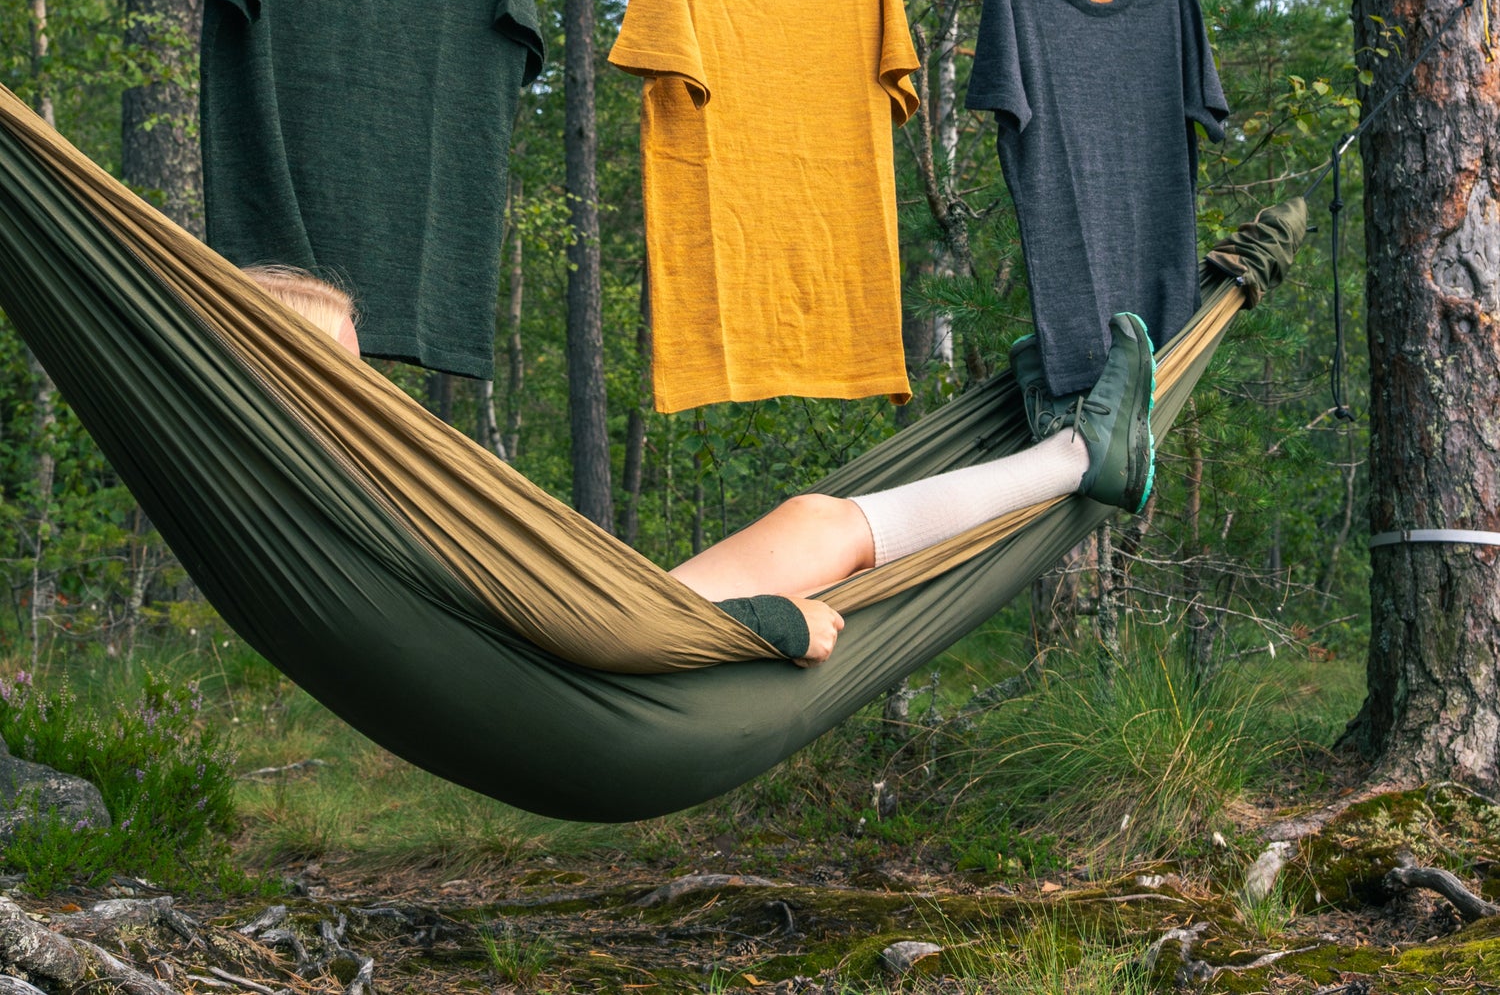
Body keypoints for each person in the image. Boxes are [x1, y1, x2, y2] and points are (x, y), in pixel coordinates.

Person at [242, 267, 1155, 667]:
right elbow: (553, 622)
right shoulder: (353, 496)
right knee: (822, 526)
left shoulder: (297, 499)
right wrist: (753, 625)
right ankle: (1079, 455)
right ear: (300, 374)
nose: (370, 389)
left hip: (579, 636)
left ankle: (1058, 449)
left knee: (812, 517)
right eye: (348, 370)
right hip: (594, 657)